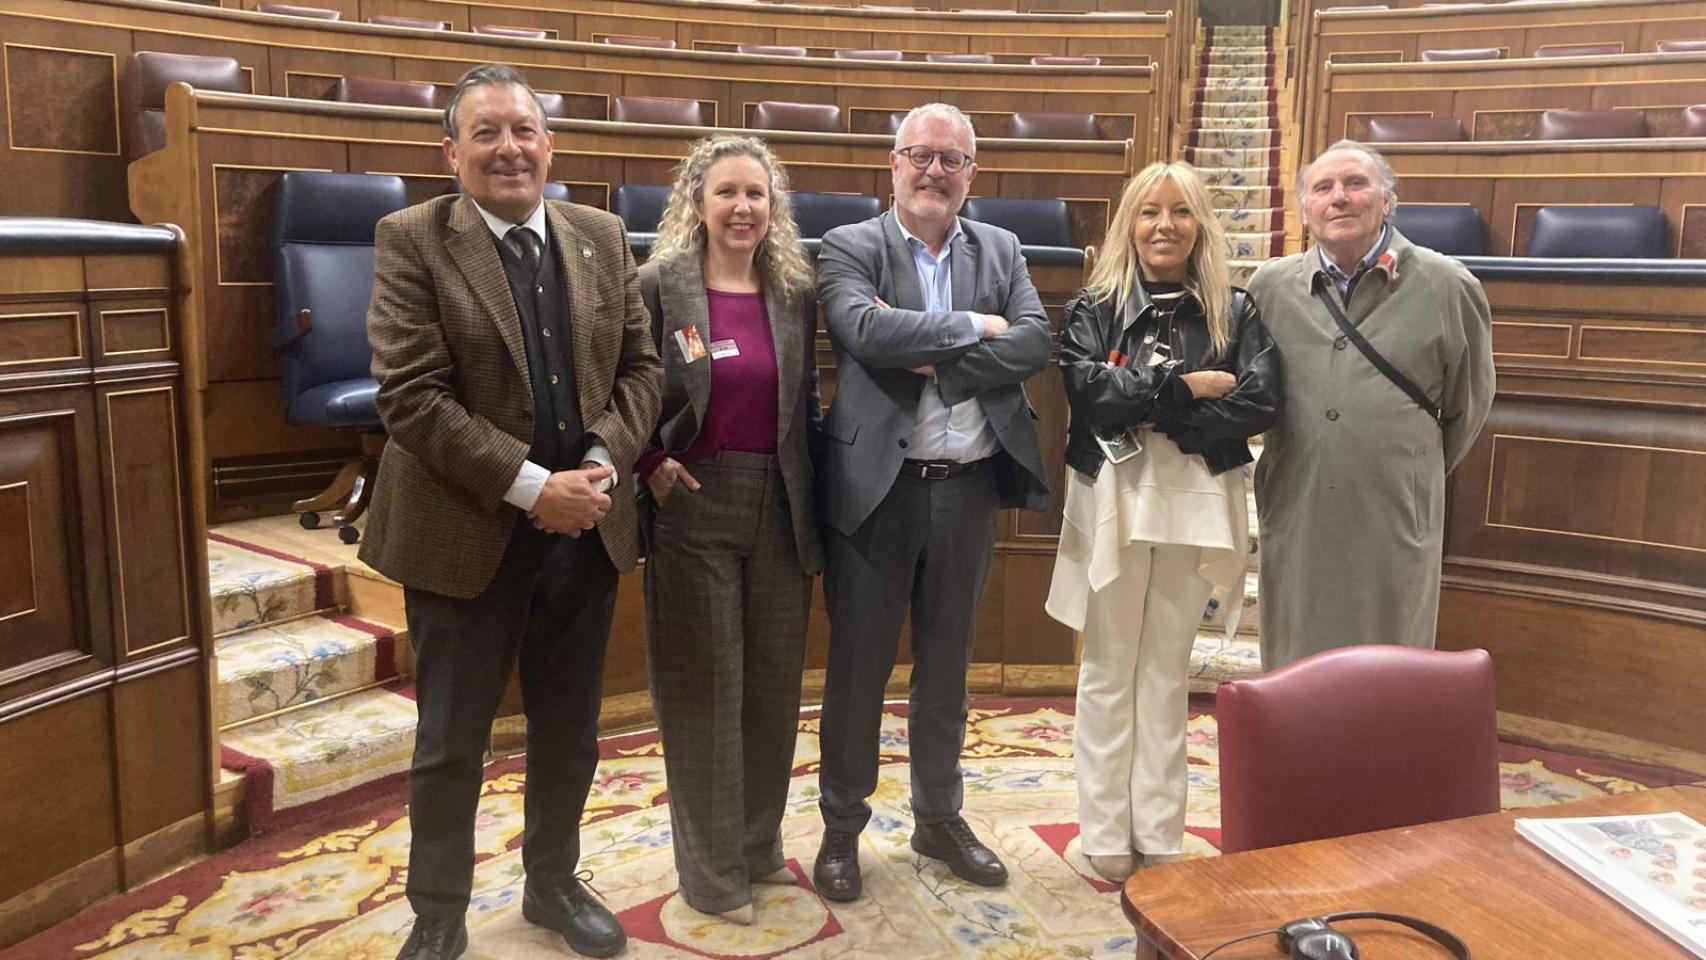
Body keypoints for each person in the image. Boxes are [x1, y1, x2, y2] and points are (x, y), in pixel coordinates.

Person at [359, 64, 662, 960]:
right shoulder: (412, 238)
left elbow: (642, 370)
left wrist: (599, 465)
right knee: (452, 740)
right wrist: (535, 488)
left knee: (569, 732)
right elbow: (410, 396)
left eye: (524, 130)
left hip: (586, 534)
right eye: (486, 132)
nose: (509, 149)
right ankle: (438, 913)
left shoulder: (601, 234)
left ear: (549, 145)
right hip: (465, 532)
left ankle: (552, 882)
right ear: (451, 152)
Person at [810, 102, 1051, 902]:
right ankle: (841, 827)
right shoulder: (851, 245)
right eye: (921, 155)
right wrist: (976, 328)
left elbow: (1033, 343)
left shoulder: (1002, 248)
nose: (935, 172)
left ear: (972, 173)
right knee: (858, 673)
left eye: (952, 160)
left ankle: (938, 819)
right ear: (894, 162)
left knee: (947, 670)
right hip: (877, 492)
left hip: (968, 488)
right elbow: (864, 334)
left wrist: (931, 351)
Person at [1043, 161, 1279, 882]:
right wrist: (1186, 389)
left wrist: (1152, 404)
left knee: (1166, 669)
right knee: (1109, 665)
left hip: (1197, 502)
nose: (1164, 225)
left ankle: (1158, 827)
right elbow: (1090, 392)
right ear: (1130, 223)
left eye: (1180, 211)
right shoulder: (1095, 306)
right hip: (1115, 495)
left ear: (1200, 225)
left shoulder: (1236, 310)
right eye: (1149, 211)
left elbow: (1260, 401)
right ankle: (1104, 828)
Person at [633, 135, 822, 926]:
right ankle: (711, 875)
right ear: (697, 203)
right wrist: (648, 462)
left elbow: (804, 403)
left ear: (773, 207)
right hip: (695, 500)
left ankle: (756, 846)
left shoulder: (794, 290)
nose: (742, 208)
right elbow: (621, 384)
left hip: (782, 501)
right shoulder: (659, 284)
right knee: (706, 690)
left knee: (773, 688)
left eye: (755, 194)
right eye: (726, 193)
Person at [1248, 139, 1494, 670]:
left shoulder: (1447, 285)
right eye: (1323, 187)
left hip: (1393, 507)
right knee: (1296, 658)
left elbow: (1468, 402)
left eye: (1355, 183)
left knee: (1391, 660)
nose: (1339, 197)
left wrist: (1409, 465)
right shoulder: (1270, 287)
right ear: (1305, 210)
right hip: (1299, 501)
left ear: (1387, 201)